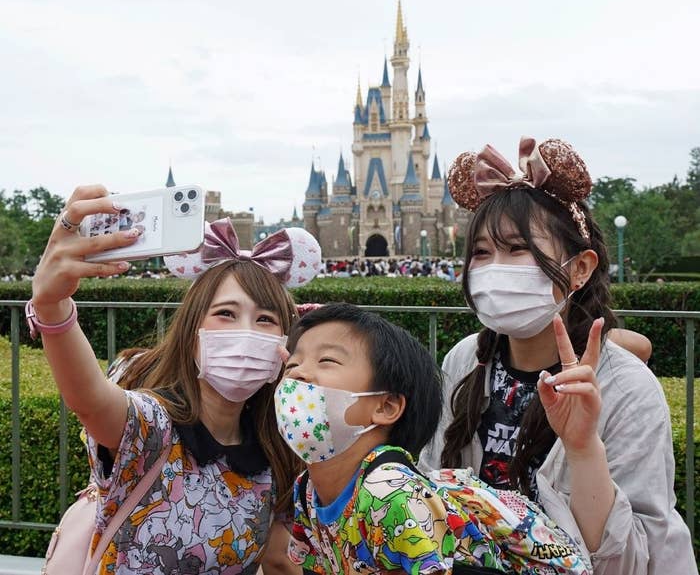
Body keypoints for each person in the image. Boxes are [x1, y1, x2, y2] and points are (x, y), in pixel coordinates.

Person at [419, 138, 696, 574]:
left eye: (517, 249)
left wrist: (583, 449)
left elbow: (629, 561)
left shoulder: (626, 388)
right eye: (481, 253)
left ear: (580, 268)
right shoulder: (464, 361)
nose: (494, 269)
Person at [27, 185, 323, 574]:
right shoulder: (151, 429)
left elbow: (279, 559)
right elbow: (91, 399)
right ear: (192, 331)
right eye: (226, 314)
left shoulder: (276, 454)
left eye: (266, 320)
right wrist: (52, 306)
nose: (246, 332)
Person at [276, 303, 591, 574]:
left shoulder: (389, 496)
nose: (297, 374)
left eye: (326, 360)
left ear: (385, 406)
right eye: (293, 363)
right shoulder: (307, 490)